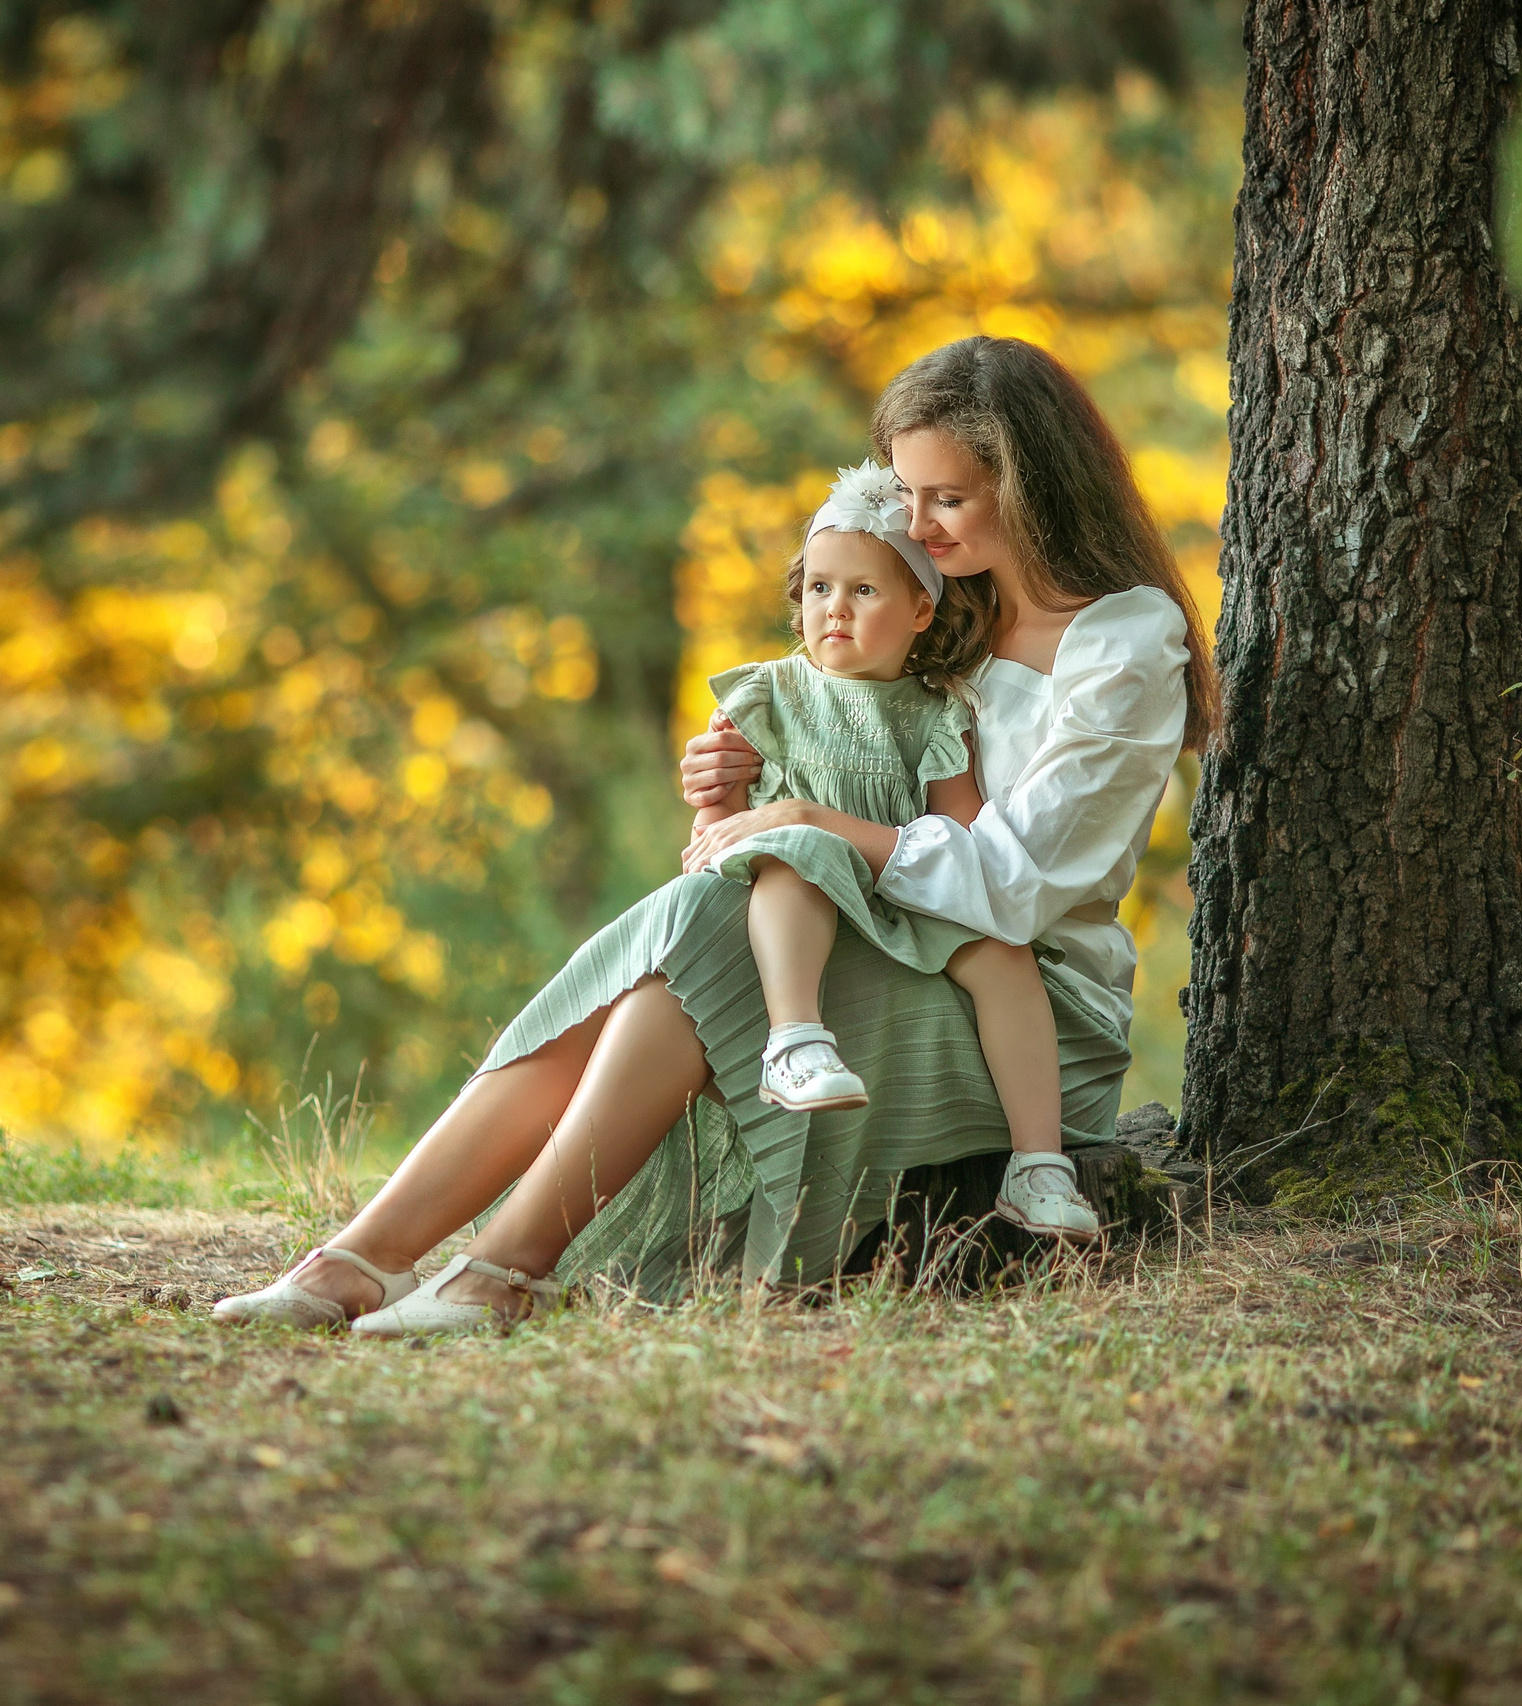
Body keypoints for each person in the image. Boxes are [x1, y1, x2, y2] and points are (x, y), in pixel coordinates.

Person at [212, 334, 1217, 1336]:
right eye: (906, 494)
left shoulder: (1121, 646)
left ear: (1034, 486)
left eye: (945, 499)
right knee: (699, 922)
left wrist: (808, 820)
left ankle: (480, 1269)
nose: (916, 525)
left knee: (698, 931)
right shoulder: (941, 599)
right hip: (879, 936)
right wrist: (743, 780)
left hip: (1022, 1000)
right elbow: (845, 748)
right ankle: (372, 1261)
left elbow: (1016, 886)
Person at [706, 460, 1104, 1242]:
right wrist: (712, 805)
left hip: (895, 893)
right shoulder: (770, 695)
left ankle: (1039, 1164)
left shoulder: (935, 713)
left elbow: (960, 833)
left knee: (1003, 954)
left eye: (864, 591)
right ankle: (795, 1039)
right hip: (793, 893)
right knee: (796, 857)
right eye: (819, 589)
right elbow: (721, 815)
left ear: (922, 609)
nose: (835, 611)